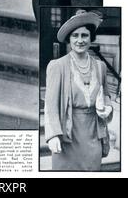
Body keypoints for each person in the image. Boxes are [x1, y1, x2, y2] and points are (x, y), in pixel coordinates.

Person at [44, 10, 113, 171]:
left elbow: (107, 96)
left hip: (93, 135)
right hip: (67, 135)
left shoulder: (100, 66)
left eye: (84, 35)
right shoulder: (58, 66)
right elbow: (50, 104)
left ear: (91, 38)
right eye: (75, 36)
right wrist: (53, 134)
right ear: (69, 38)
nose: (80, 40)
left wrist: (107, 107)